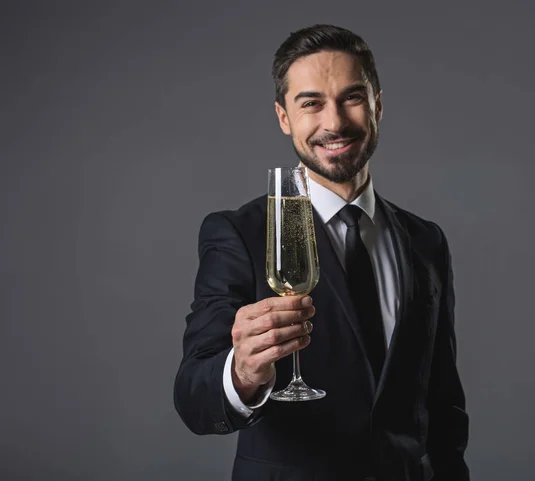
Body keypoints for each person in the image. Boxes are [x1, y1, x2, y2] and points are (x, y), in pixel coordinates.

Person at [174, 24, 470, 481]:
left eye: (352, 97)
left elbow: (443, 402)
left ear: (378, 105)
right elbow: (194, 397)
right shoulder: (239, 234)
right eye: (311, 103)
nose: (334, 123)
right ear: (283, 117)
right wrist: (243, 374)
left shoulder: (425, 240)